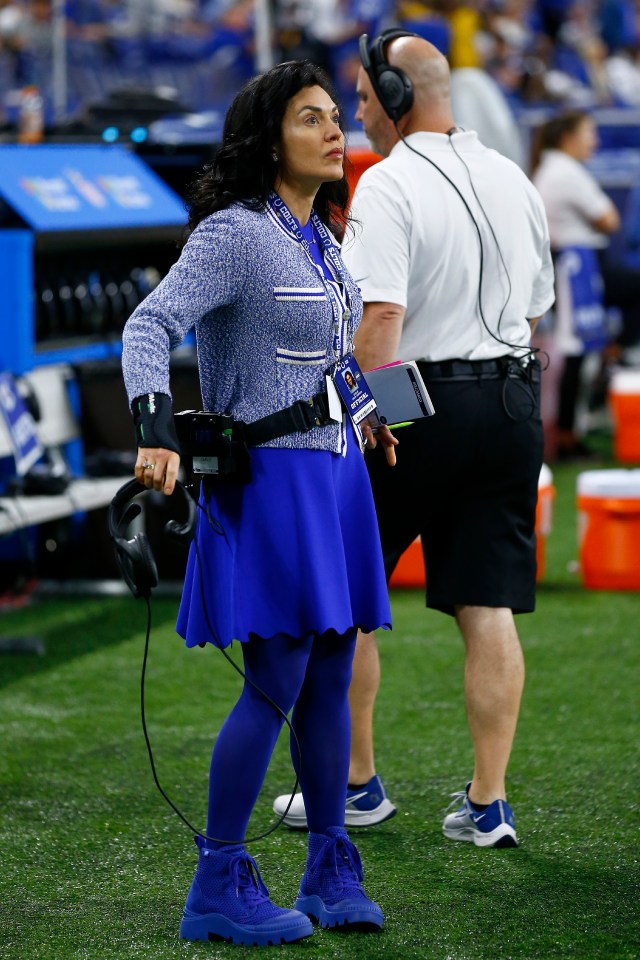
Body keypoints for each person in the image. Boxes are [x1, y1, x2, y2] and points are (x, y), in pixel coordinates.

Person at [121, 60, 398, 947]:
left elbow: (331, 356)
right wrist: (157, 429)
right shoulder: (235, 234)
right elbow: (148, 325)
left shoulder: (323, 235)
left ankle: (326, 863)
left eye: (333, 115)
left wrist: (372, 414)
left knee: (327, 671)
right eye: (310, 117)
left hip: (337, 475)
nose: (332, 130)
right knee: (277, 679)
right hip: (270, 480)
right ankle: (218, 880)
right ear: (269, 136)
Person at [274, 29, 555, 848]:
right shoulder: (512, 175)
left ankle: (355, 785)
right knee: (489, 605)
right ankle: (489, 802)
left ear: (397, 97)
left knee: (349, 602)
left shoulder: (391, 183)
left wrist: (363, 415)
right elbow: (534, 307)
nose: (353, 114)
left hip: (415, 402)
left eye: (361, 97)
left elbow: (380, 325)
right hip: (511, 401)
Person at [531, 110, 640, 460]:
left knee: (575, 350)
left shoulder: (553, 169)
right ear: (568, 137)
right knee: (574, 350)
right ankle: (565, 436)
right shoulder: (566, 172)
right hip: (576, 266)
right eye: (589, 133)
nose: (595, 141)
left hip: (574, 264)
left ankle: (567, 433)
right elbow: (609, 219)